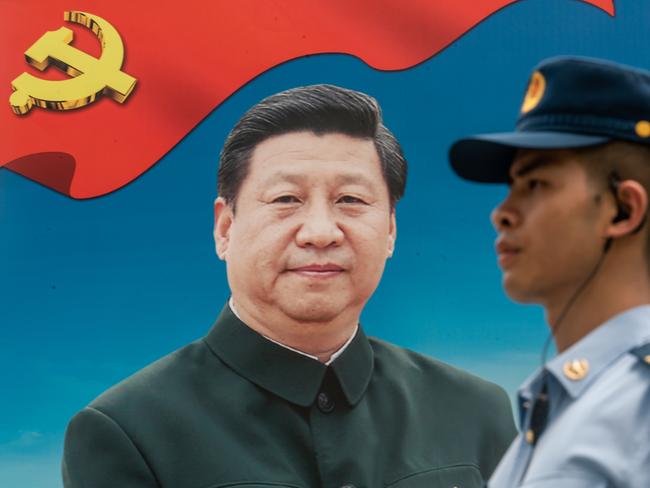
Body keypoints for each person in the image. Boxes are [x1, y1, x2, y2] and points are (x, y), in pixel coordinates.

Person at [62, 84, 516, 488]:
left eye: (351, 200)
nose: (321, 231)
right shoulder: (128, 431)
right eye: (286, 199)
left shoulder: (476, 412)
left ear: (391, 230)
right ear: (224, 227)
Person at [449, 56, 650, 487]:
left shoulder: (636, 404)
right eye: (511, 187)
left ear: (623, 209)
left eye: (535, 184)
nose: (501, 214)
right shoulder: (564, 403)